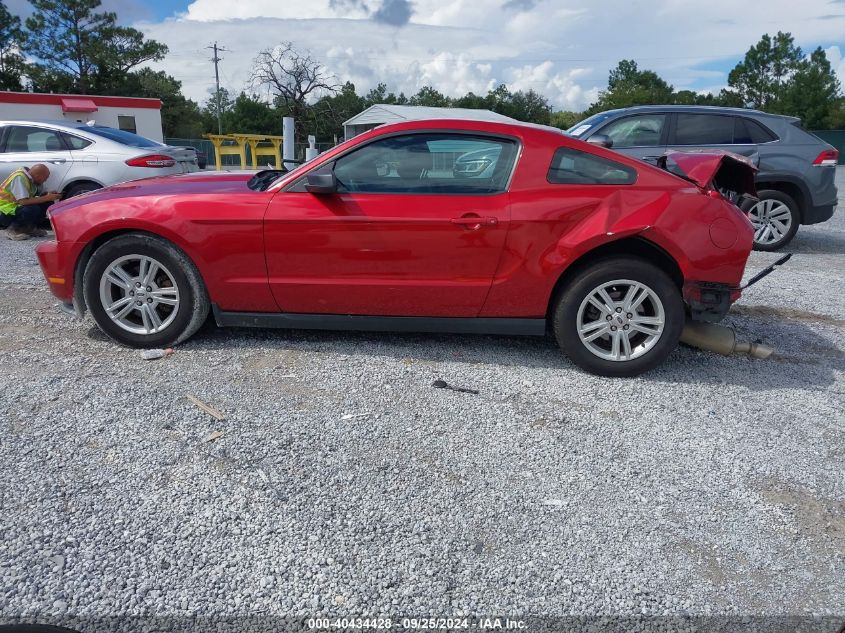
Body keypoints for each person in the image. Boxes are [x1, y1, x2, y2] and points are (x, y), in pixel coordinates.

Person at [0, 164, 62, 241]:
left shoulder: (32, 179)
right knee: (32, 209)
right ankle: (13, 229)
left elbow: (35, 196)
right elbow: (23, 201)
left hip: (16, 207)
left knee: (47, 203)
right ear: (37, 175)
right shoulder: (19, 177)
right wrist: (46, 197)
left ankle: (29, 228)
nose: (45, 180)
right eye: (45, 178)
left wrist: (48, 195)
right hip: (5, 212)